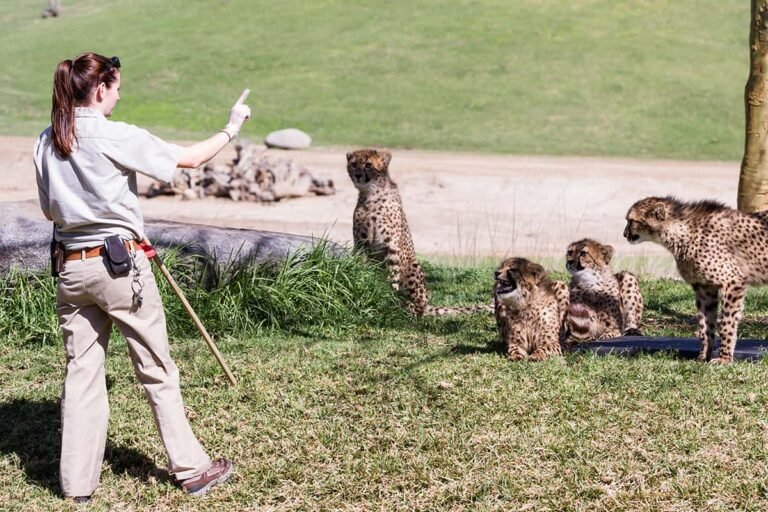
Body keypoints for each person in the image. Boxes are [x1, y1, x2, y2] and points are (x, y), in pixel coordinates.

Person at [33, 52, 251, 503]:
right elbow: (190, 159)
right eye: (116, 89)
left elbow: (49, 210)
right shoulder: (115, 134)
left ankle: (76, 486)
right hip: (120, 267)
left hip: (70, 269)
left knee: (81, 373)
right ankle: (192, 470)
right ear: (99, 90)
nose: (119, 97)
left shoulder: (46, 139)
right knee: (156, 369)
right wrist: (232, 127)